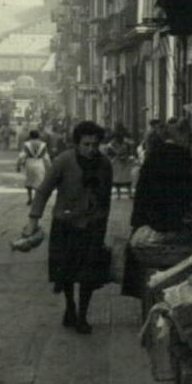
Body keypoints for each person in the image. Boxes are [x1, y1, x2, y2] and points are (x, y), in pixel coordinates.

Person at [23, 120, 112, 335]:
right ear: (77, 144)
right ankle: (70, 306)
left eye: (95, 144)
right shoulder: (64, 161)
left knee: (89, 273)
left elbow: (106, 198)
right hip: (66, 224)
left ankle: (82, 315)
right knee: (67, 271)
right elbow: (43, 191)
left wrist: (101, 226)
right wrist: (34, 220)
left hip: (93, 225)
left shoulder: (105, 164)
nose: (91, 149)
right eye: (86, 144)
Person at [130, 117, 192, 233]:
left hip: (146, 219)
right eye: (189, 137)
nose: (190, 142)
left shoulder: (155, 153)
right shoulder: (181, 156)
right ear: (181, 135)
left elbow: (143, 189)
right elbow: (185, 189)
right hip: (165, 222)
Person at [17, 129, 51, 205]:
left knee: (29, 181)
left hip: (29, 163)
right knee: (39, 181)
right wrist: (50, 167)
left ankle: (30, 198)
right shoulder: (43, 144)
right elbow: (46, 157)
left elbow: (22, 155)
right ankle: (36, 199)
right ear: (38, 136)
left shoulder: (27, 144)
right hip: (39, 163)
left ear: (30, 136)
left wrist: (18, 165)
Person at [104, 122, 136, 198]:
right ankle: (127, 193)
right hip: (119, 159)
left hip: (120, 159)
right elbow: (131, 143)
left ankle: (121, 194)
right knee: (122, 177)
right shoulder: (120, 137)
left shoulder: (115, 136)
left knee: (122, 177)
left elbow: (108, 146)